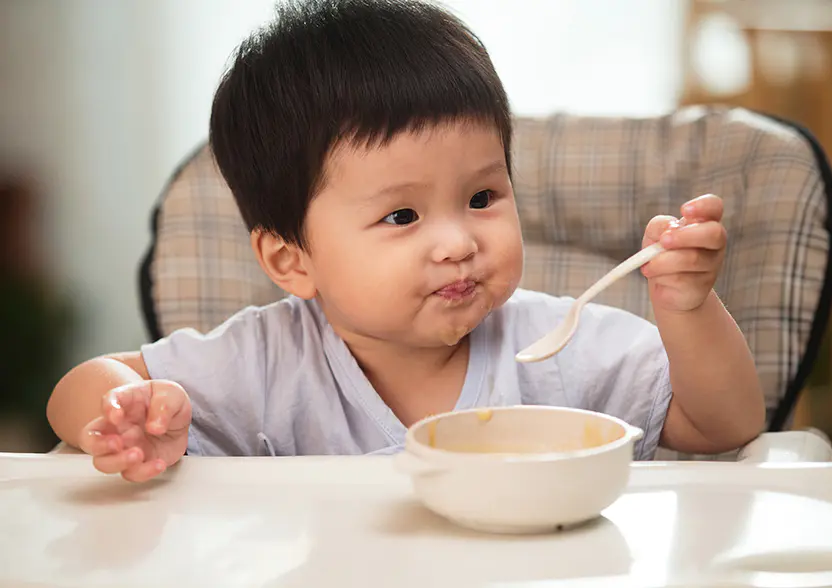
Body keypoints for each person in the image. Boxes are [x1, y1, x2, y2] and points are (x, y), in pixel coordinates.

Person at [46, 0, 764, 482]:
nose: (456, 242)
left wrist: (687, 310)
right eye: (402, 217)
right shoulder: (265, 364)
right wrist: (128, 418)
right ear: (291, 261)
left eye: (482, 198)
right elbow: (81, 385)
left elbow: (724, 426)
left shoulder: (564, 349)